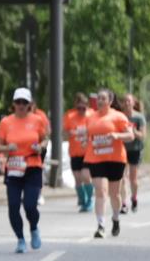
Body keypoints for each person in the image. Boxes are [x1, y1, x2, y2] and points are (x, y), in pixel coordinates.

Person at [0, 88, 48, 253]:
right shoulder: (6, 122)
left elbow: (45, 139)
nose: (21, 105)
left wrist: (40, 147)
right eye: (18, 102)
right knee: (13, 206)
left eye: (24, 102)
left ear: (30, 104)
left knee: (30, 205)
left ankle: (34, 228)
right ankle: (20, 238)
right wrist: (6, 147)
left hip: (32, 166)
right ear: (13, 104)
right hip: (14, 167)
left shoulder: (37, 120)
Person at [84, 88, 134, 238]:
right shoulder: (91, 117)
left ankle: (116, 218)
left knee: (115, 194)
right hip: (96, 158)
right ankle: (100, 225)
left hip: (115, 158)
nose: (100, 101)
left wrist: (116, 135)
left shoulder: (119, 117)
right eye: (98, 98)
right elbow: (89, 137)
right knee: (100, 191)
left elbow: (130, 136)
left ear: (110, 101)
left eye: (103, 98)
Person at [62, 93, 94, 213]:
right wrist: (69, 133)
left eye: (83, 108)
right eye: (78, 108)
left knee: (86, 176)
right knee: (77, 178)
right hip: (75, 152)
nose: (81, 111)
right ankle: (82, 198)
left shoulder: (91, 115)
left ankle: (89, 200)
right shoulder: (70, 116)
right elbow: (63, 134)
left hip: (88, 151)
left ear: (87, 106)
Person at [121, 94, 145, 212]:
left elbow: (142, 136)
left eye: (129, 101)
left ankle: (134, 198)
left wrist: (133, 130)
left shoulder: (139, 118)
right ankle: (123, 203)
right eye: (125, 101)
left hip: (135, 149)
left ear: (133, 103)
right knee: (122, 178)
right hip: (122, 149)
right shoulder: (120, 117)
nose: (127, 103)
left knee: (133, 178)